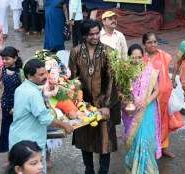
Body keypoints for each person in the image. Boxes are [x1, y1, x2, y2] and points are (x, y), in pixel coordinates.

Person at [68, 19, 117, 174]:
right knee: (84, 138)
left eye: (97, 33)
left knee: (104, 141)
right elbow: (72, 80)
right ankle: (88, 170)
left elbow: (111, 80)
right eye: (91, 34)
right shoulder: (75, 52)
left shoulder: (108, 51)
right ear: (84, 35)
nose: (95, 37)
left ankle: (103, 171)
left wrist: (107, 105)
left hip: (103, 102)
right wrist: (75, 105)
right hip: (82, 103)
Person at [9, 59, 73, 173]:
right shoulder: (32, 93)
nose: (45, 76)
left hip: (19, 138)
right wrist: (65, 125)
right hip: (29, 143)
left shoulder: (22, 88)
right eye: (41, 74)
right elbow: (45, 118)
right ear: (30, 76)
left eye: (45, 73)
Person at [142, 32, 184, 158]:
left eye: (155, 41)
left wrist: (171, 82)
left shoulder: (163, 56)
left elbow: (165, 74)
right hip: (148, 98)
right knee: (150, 123)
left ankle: (163, 147)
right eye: (149, 42)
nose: (153, 44)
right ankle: (150, 148)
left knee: (164, 122)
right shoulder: (141, 59)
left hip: (164, 96)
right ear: (144, 45)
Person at [122, 44, 161, 173]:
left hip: (147, 109)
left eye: (139, 57)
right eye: (134, 57)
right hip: (130, 111)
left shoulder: (149, 71)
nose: (137, 60)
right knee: (133, 139)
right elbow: (118, 91)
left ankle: (147, 170)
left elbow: (157, 90)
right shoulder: (123, 72)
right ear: (128, 58)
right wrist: (125, 99)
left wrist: (146, 101)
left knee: (144, 138)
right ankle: (133, 169)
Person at [0, 46, 23, 168]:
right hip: (5, 106)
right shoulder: (3, 70)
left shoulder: (20, 72)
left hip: (17, 107)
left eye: (7, 59)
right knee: (7, 133)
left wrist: (17, 107)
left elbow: (23, 90)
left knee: (18, 133)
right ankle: (11, 160)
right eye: (3, 59)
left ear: (15, 58)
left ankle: (20, 159)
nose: (4, 61)